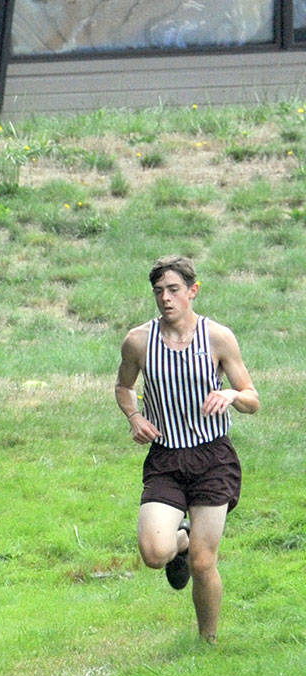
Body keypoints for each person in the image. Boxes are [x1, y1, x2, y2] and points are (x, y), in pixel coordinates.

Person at [114, 255, 259, 643]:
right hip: (165, 458)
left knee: (203, 561)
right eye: (159, 291)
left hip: (213, 457)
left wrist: (230, 394)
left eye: (174, 290)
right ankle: (180, 539)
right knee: (153, 553)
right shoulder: (139, 341)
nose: (166, 298)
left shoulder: (218, 337)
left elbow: (252, 398)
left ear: (193, 291)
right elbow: (123, 387)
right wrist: (134, 417)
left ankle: (206, 643)